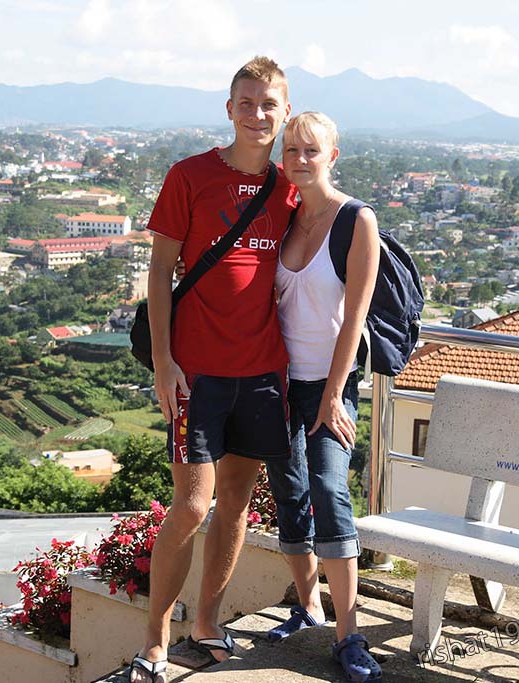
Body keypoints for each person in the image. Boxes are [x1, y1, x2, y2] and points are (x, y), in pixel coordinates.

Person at [131, 56, 296, 683]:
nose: (258, 115)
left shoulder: (289, 189)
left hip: (261, 374)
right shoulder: (190, 176)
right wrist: (165, 363)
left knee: (235, 505)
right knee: (192, 506)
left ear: (284, 113)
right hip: (196, 373)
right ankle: (156, 638)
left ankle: (207, 621)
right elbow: (159, 274)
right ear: (230, 110)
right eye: (247, 103)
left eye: (269, 105)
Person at [264, 111, 383, 682]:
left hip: (329, 386)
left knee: (330, 489)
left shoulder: (355, 220)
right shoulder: (280, 219)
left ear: (332, 155)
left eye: (311, 150)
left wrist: (334, 396)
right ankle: (307, 607)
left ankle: (349, 633)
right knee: (289, 493)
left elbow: (354, 318)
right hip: (278, 385)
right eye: (290, 150)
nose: (299, 159)